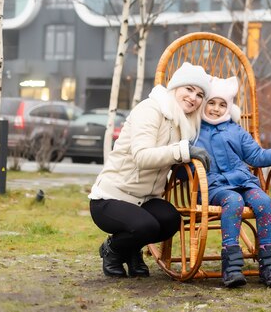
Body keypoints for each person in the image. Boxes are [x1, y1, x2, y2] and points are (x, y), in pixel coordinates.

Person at [89, 62, 212, 278]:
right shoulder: (151, 109)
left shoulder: (182, 123)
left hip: (144, 200)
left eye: (200, 94)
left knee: (170, 220)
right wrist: (184, 151)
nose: (194, 98)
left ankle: (131, 249)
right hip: (111, 198)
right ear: (175, 88)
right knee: (145, 226)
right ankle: (113, 250)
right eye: (189, 89)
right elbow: (142, 156)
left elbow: (175, 163)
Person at [193, 75, 271, 288]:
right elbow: (181, 165)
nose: (215, 109)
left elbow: (256, 156)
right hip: (214, 186)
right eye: (211, 103)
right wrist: (186, 156)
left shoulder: (235, 130)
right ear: (203, 104)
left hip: (244, 181)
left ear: (228, 107)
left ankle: (269, 267)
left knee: (264, 201)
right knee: (233, 202)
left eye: (222, 105)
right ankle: (231, 268)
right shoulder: (193, 132)